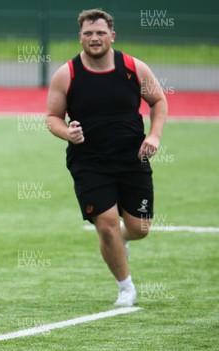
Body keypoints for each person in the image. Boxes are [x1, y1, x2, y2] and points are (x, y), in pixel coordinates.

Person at [45, 9, 168, 307]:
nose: (94, 38)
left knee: (140, 228)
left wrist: (154, 136)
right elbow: (52, 117)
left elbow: (158, 101)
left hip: (132, 159)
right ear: (80, 37)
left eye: (100, 33)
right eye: (88, 33)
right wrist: (67, 133)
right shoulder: (67, 74)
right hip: (89, 163)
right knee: (107, 223)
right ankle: (126, 288)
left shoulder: (133, 67)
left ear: (112, 35)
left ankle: (121, 240)